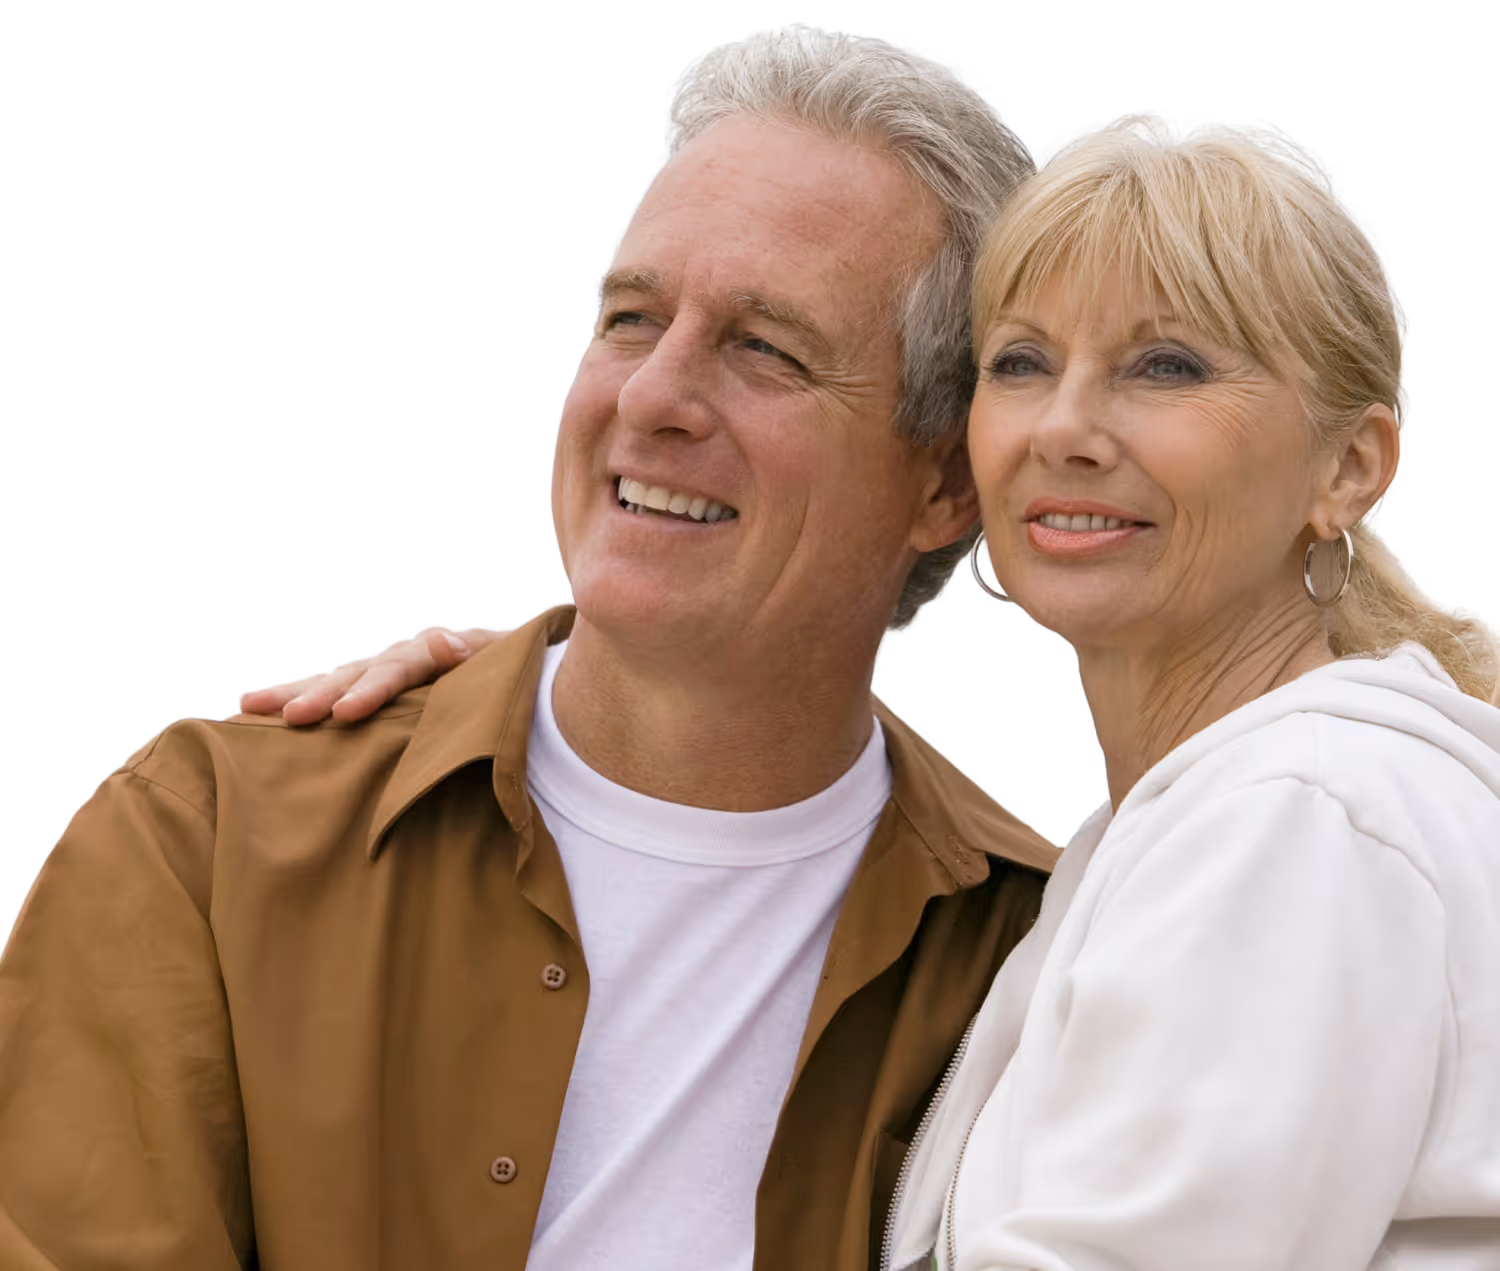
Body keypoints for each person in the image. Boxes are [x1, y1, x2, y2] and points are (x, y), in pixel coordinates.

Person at [262, 113, 1500, 1271]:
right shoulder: (1194, 824)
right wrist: (544, 690)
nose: (1066, 427)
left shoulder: (1298, 814)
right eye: (1022, 362)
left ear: (1351, 467)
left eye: (1166, 366)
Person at [0, 25, 1060, 1271]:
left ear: (947, 482)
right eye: (630, 318)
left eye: (766, 348)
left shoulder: (1042, 959)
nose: (650, 396)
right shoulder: (210, 841)